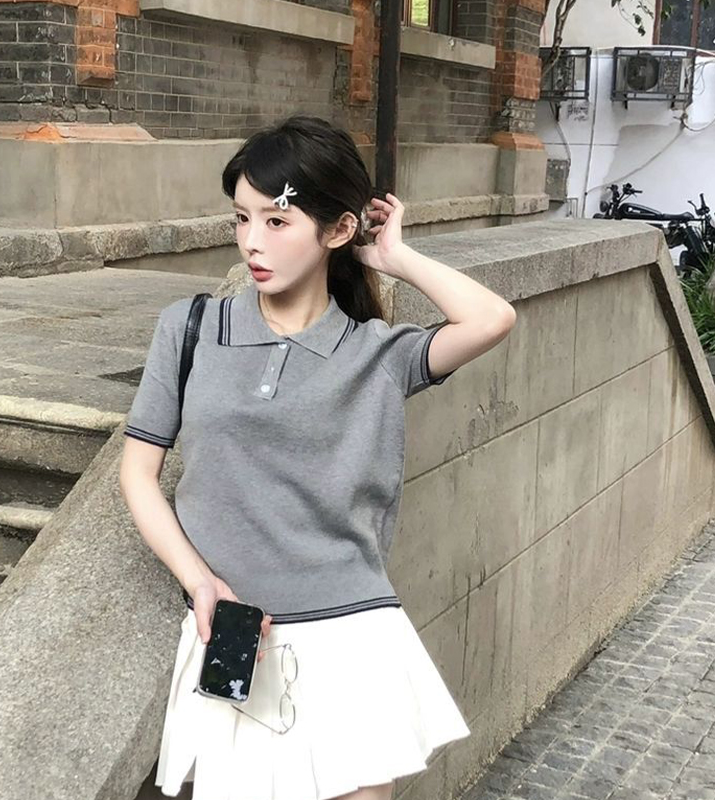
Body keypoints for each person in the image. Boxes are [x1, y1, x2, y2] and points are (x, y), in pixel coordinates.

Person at [119, 115, 516, 800]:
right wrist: (199, 581)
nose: (252, 241)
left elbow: (491, 319)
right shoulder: (191, 329)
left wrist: (393, 255)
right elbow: (138, 473)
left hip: (351, 636)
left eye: (277, 222)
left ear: (337, 230)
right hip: (236, 627)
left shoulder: (378, 355)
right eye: (242, 218)